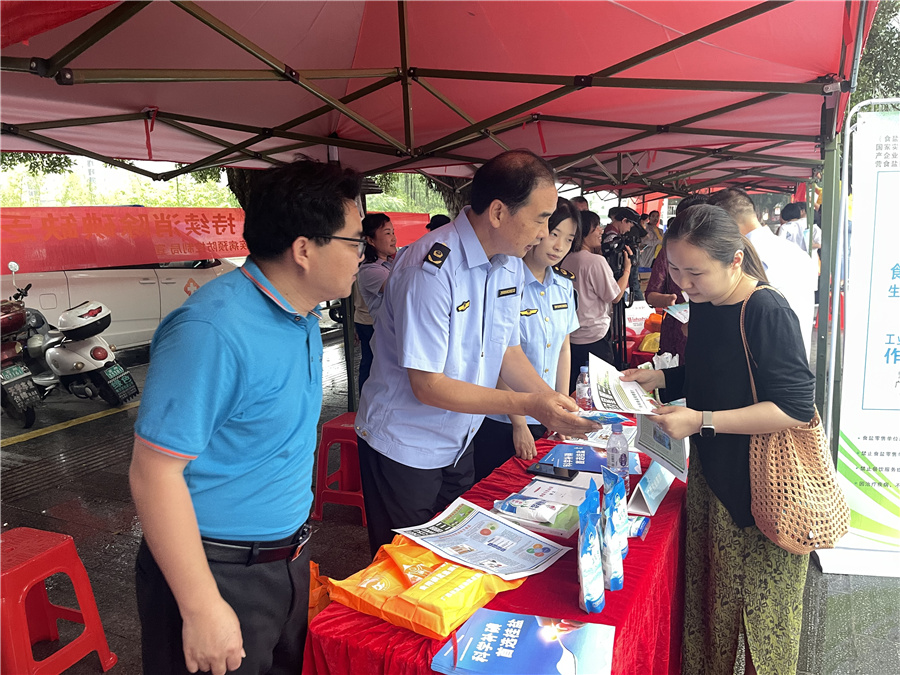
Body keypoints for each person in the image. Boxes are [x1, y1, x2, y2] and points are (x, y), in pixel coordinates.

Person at [129, 159, 365, 675]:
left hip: (286, 561)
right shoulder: (212, 331)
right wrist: (201, 607)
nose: (361, 255)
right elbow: (153, 472)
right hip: (215, 573)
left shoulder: (301, 315)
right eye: (354, 241)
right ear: (304, 249)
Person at [355, 150, 598, 557]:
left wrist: (552, 400)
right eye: (541, 219)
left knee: (454, 558)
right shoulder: (431, 269)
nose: (544, 234)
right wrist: (529, 405)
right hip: (406, 445)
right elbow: (428, 385)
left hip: (459, 439)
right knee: (405, 567)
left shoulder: (507, 264)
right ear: (499, 212)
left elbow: (507, 349)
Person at [623, 203, 815, 675]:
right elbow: (712, 375)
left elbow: (793, 407)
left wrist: (701, 420)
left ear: (734, 261)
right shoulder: (706, 303)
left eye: (695, 272)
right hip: (713, 476)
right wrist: (662, 379)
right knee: (712, 605)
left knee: (761, 624)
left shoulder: (766, 309)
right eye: (675, 269)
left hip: (764, 488)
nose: (684, 284)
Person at [472, 197, 582, 481]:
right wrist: (518, 423)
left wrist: (560, 407)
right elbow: (498, 354)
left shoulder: (564, 286)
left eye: (568, 239)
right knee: (498, 488)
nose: (559, 246)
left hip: (546, 416)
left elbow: (563, 349)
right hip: (504, 418)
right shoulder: (503, 281)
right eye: (554, 234)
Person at [708, 187, 817, 360]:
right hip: (796, 359)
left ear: (724, 224)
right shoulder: (799, 254)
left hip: (756, 362)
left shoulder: (743, 260)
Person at [562, 210, 631, 392]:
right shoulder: (595, 261)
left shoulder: (566, 259)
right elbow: (615, 296)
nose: (601, 231)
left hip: (571, 338)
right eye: (596, 227)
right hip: (595, 338)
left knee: (576, 389)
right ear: (584, 231)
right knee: (601, 390)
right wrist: (627, 270)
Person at [644, 195, 709, 361]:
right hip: (676, 333)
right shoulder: (669, 252)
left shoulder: (719, 254)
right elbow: (650, 294)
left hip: (711, 332)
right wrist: (667, 299)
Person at [354, 213, 397, 392]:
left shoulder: (391, 263)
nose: (393, 237)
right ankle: (364, 401)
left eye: (393, 232)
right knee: (371, 367)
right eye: (387, 233)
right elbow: (402, 289)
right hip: (371, 325)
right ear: (370, 240)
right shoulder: (370, 270)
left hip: (388, 330)